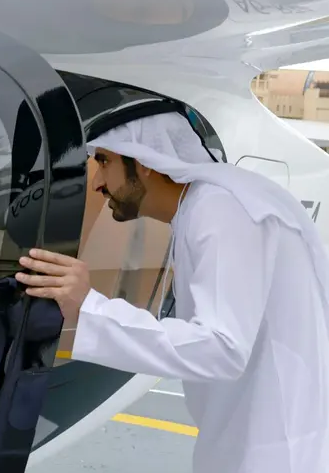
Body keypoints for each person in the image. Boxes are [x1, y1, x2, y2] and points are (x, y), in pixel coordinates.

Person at [16, 106, 329, 473]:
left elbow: (221, 347)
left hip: (277, 454)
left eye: (104, 161)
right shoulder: (204, 207)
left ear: (144, 161)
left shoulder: (221, 209)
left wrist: (89, 306)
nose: (98, 181)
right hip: (256, 443)